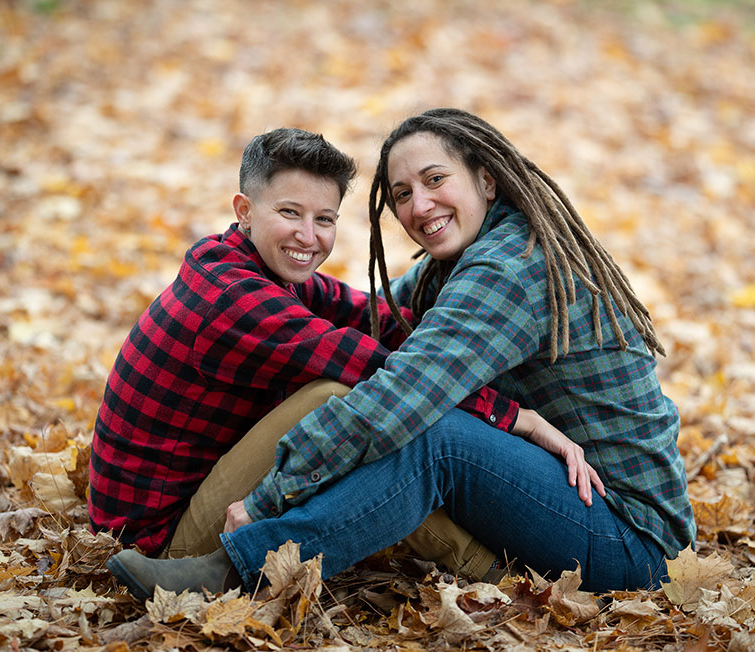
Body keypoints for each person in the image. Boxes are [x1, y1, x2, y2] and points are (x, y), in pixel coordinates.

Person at [107, 108, 695, 599]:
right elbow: (377, 323)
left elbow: (399, 395)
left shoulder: (508, 270)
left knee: (427, 434)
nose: (419, 206)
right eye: (402, 194)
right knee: (395, 408)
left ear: (487, 181)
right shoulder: (460, 264)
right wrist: (516, 418)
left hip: (632, 540)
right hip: (564, 499)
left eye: (436, 181)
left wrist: (265, 501)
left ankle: (240, 564)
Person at [90, 127, 542, 579]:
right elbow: (370, 366)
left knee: (367, 416)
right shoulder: (233, 296)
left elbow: (374, 318)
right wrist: (510, 415)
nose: (308, 237)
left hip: (186, 502)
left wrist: (462, 333)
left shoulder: (258, 267)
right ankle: (493, 572)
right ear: (244, 211)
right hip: (160, 547)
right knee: (338, 396)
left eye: (324, 219)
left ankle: (483, 551)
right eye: (290, 212)